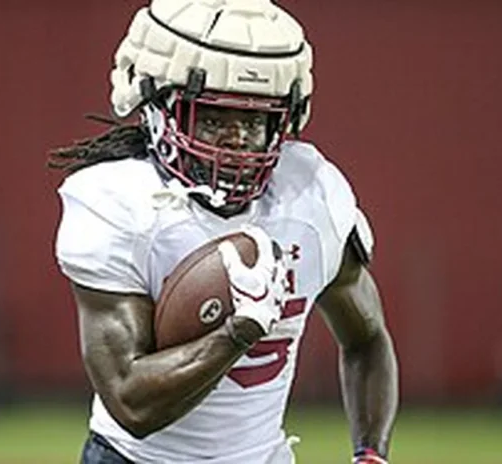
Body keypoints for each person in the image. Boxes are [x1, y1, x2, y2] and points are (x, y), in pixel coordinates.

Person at [50, 1, 399, 463]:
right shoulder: (119, 203)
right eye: (213, 118)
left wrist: (371, 453)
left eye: (254, 121)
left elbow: (367, 338)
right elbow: (131, 402)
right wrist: (237, 332)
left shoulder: (310, 196)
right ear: (159, 108)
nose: (237, 140)